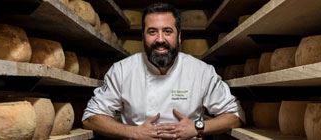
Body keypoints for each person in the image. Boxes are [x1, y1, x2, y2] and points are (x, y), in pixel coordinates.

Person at [82, 2, 244, 139]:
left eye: (167, 31)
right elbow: (90, 118)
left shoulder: (202, 72)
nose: (160, 39)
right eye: (152, 32)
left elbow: (235, 115)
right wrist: (134, 132)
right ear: (143, 37)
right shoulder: (122, 70)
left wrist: (197, 126)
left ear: (179, 36)